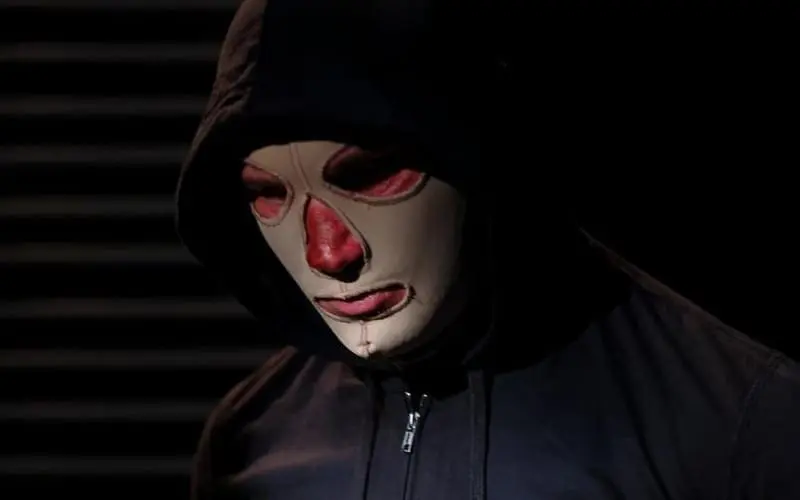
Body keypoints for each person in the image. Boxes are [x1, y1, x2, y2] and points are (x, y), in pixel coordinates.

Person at [176, 0, 800, 498]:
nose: (327, 253)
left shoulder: (740, 422)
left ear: (475, 153)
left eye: (368, 175)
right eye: (267, 194)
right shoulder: (252, 435)